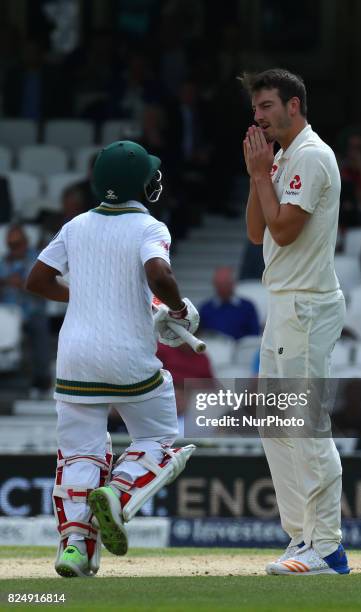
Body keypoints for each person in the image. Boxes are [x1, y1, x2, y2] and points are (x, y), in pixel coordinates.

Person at [25, 141, 199, 578]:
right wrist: (176, 311)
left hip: (75, 360)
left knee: (78, 455)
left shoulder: (76, 225)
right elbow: (159, 273)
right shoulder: (149, 226)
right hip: (128, 358)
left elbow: (37, 280)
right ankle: (119, 495)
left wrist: (81, 294)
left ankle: (73, 550)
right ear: (142, 182)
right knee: (159, 439)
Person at [241, 68, 350, 575]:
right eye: (256, 108)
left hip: (306, 305)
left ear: (294, 106)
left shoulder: (311, 155)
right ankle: (301, 538)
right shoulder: (283, 157)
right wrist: (257, 175)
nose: (258, 116)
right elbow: (254, 230)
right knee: (273, 425)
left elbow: (283, 232)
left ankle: (327, 546)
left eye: (266, 106)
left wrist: (264, 176)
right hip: (283, 304)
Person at [0, 224, 51, 393]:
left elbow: (46, 286)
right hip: (7, 314)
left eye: (18, 244)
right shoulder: (3, 261)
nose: (14, 248)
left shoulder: (38, 260)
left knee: (39, 329)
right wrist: (5, 283)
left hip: (33, 312)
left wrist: (21, 284)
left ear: (25, 242)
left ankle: (41, 380)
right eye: (11, 245)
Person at [199, 266, 260, 340]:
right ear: (214, 285)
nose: (223, 288)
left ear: (233, 284)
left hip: (240, 349)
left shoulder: (247, 307)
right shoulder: (205, 309)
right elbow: (200, 335)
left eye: (225, 283)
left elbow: (254, 336)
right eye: (219, 284)